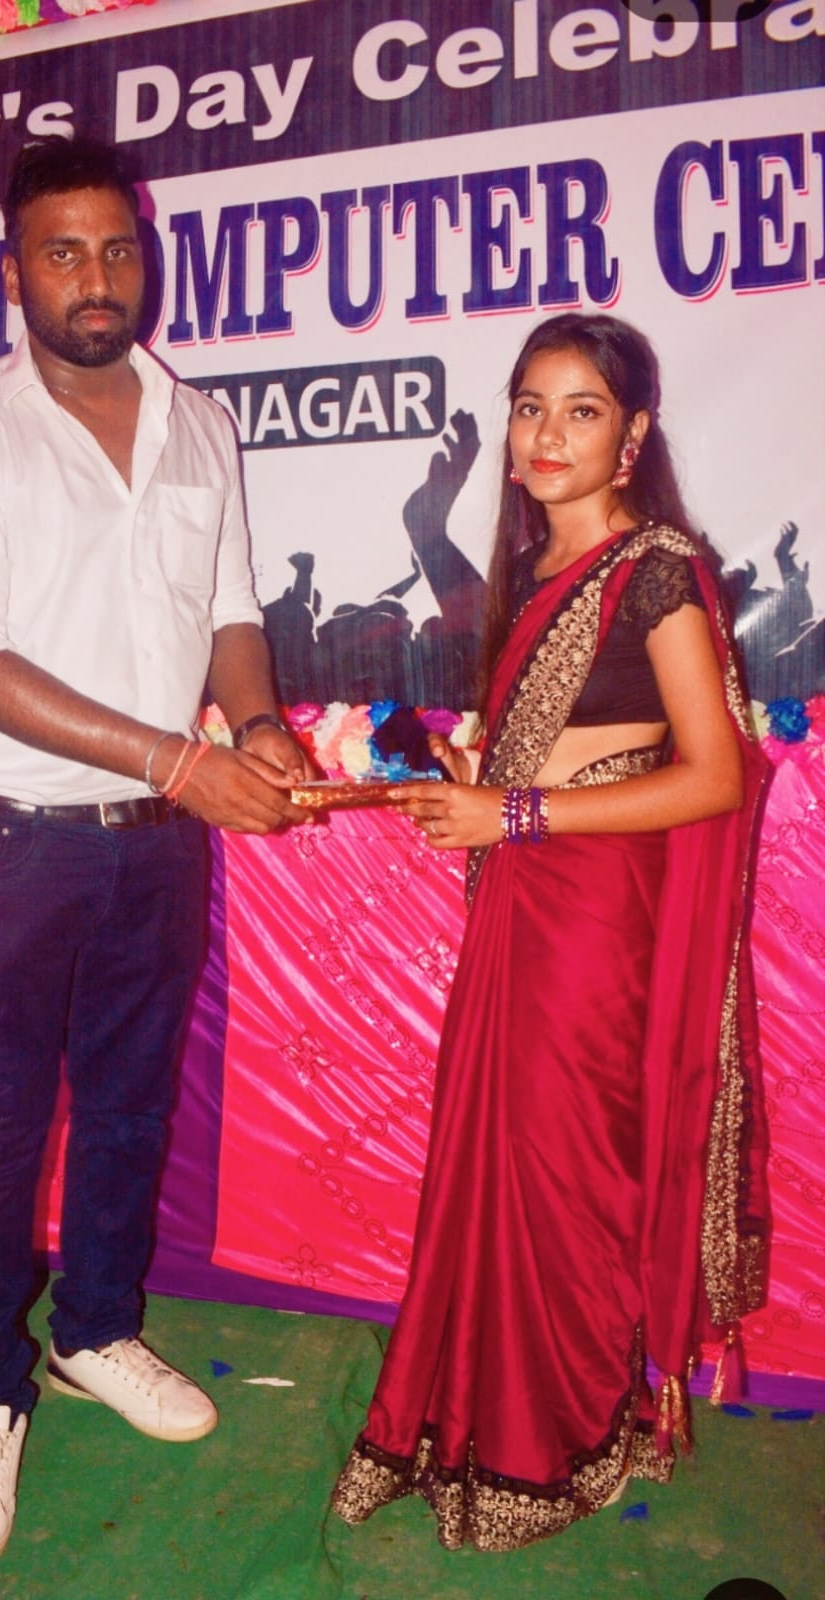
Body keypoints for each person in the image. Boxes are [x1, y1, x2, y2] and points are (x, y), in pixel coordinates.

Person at [0, 134, 312, 1567]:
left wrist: (256, 726)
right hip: (13, 843)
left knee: (130, 1107)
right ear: (12, 271)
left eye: (117, 248)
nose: (96, 277)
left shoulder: (201, 424)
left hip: (160, 848)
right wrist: (182, 759)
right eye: (62, 252)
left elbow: (231, 607)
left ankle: (97, 1334)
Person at [331, 313, 770, 1551]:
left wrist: (512, 811)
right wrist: (479, 793)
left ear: (631, 435)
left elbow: (713, 775)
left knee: (562, 1171)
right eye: (529, 406)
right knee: (500, 1165)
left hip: (593, 921)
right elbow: (557, 758)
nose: (545, 433)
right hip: (523, 898)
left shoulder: (656, 568)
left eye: (580, 410)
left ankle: (562, 1437)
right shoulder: (532, 576)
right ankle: (479, 1417)